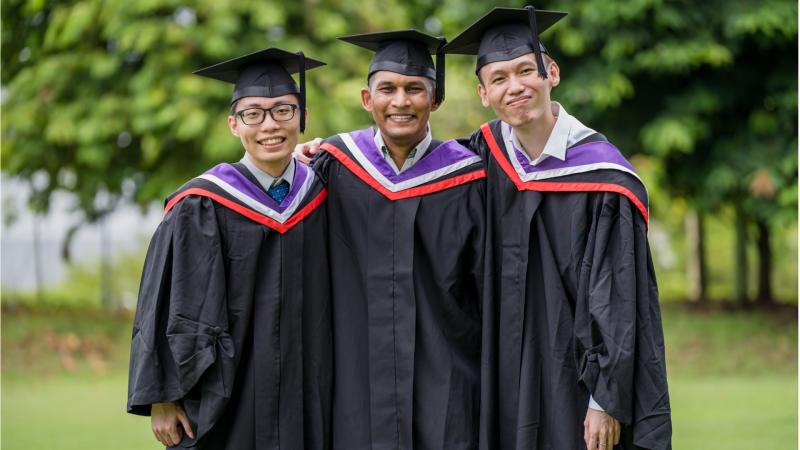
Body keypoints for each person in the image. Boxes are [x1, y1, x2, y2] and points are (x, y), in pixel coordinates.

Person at [443, 6, 672, 450]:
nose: (515, 86)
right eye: (499, 78)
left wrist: (604, 400)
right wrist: (315, 159)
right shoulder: (482, 158)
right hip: (503, 380)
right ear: (484, 94)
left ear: (552, 73)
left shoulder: (604, 177)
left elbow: (619, 298)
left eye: (525, 71)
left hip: (577, 388)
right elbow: (405, 175)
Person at [127, 48, 331, 450]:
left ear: (302, 117)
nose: (270, 125)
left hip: (307, 388)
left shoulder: (323, 190)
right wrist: (162, 397)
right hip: (227, 395)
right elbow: (164, 301)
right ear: (234, 125)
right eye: (253, 114)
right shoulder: (201, 203)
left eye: (283, 111)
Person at [311, 30, 487, 449]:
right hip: (354, 379)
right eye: (387, 89)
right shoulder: (333, 165)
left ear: (435, 99)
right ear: (366, 99)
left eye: (414, 89)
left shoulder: (469, 176)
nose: (400, 101)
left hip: (446, 378)